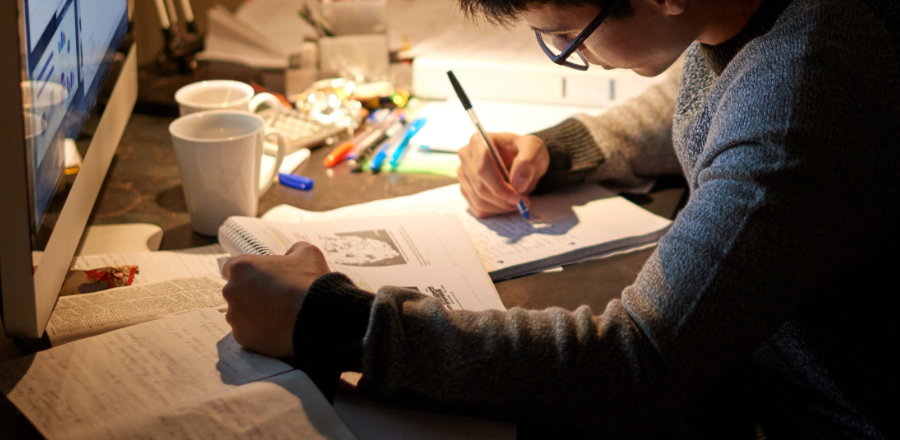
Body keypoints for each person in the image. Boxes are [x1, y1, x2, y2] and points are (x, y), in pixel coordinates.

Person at [221, 0, 900, 437]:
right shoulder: (744, 15)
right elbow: (709, 95)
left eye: (569, 34)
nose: (570, 58)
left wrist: (338, 323)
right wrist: (562, 148)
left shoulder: (804, 87)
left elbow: (636, 363)